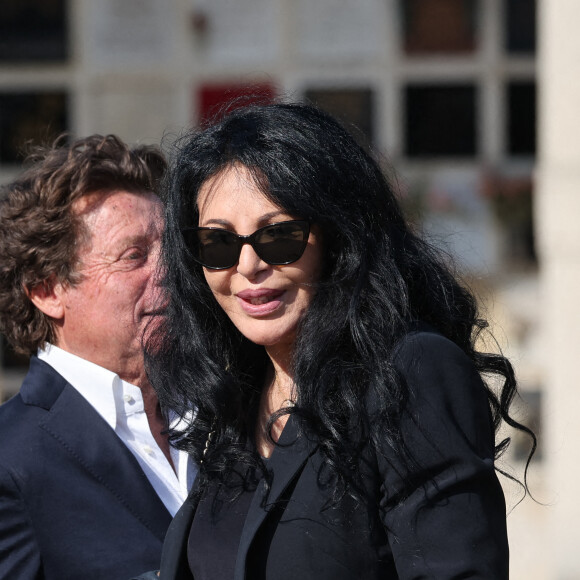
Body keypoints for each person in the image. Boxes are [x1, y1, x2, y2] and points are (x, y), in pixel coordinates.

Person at [143, 102, 535, 580]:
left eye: (279, 236)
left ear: (339, 238)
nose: (247, 267)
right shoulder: (234, 395)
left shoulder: (410, 371)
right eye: (219, 244)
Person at [0, 134, 196, 580]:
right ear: (47, 290)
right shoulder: (11, 461)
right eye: (135, 256)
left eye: (173, 250)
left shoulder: (226, 413)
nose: (171, 273)